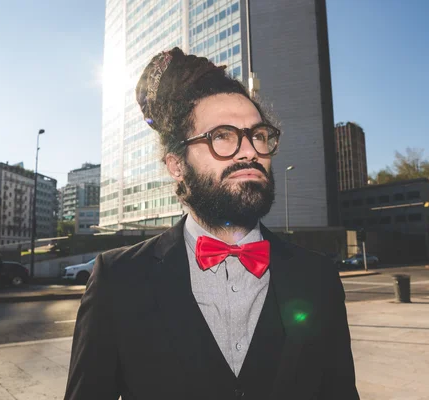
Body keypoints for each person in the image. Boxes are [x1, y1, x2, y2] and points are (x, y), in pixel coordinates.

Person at [64, 47, 359, 400]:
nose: (250, 151)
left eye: (259, 135)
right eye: (222, 135)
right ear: (176, 165)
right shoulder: (118, 279)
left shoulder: (318, 277)